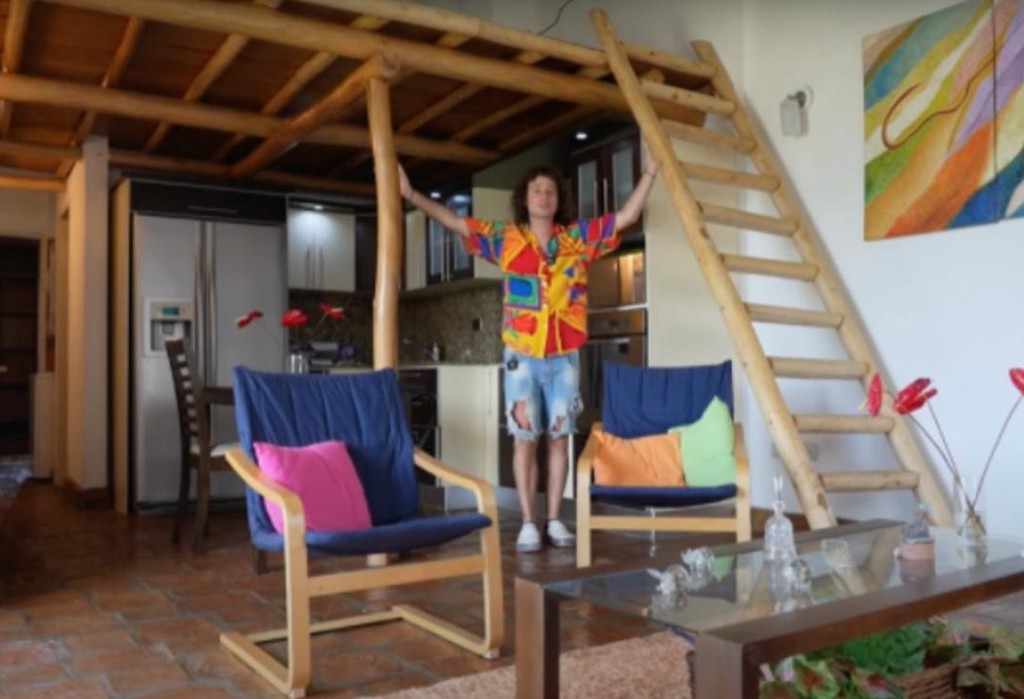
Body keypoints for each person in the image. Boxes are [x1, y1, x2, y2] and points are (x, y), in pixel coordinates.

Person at [398, 141, 660, 552]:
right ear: (525, 199)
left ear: (558, 200)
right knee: (525, 439)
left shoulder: (577, 239)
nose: (544, 196)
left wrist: (650, 173)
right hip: (521, 357)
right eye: (537, 190)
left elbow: (626, 217)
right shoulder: (506, 239)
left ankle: (554, 520)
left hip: (565, 356)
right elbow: (457, 224)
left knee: (558, 438)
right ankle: (527, 523)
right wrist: (412, 195)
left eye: (550, 191)